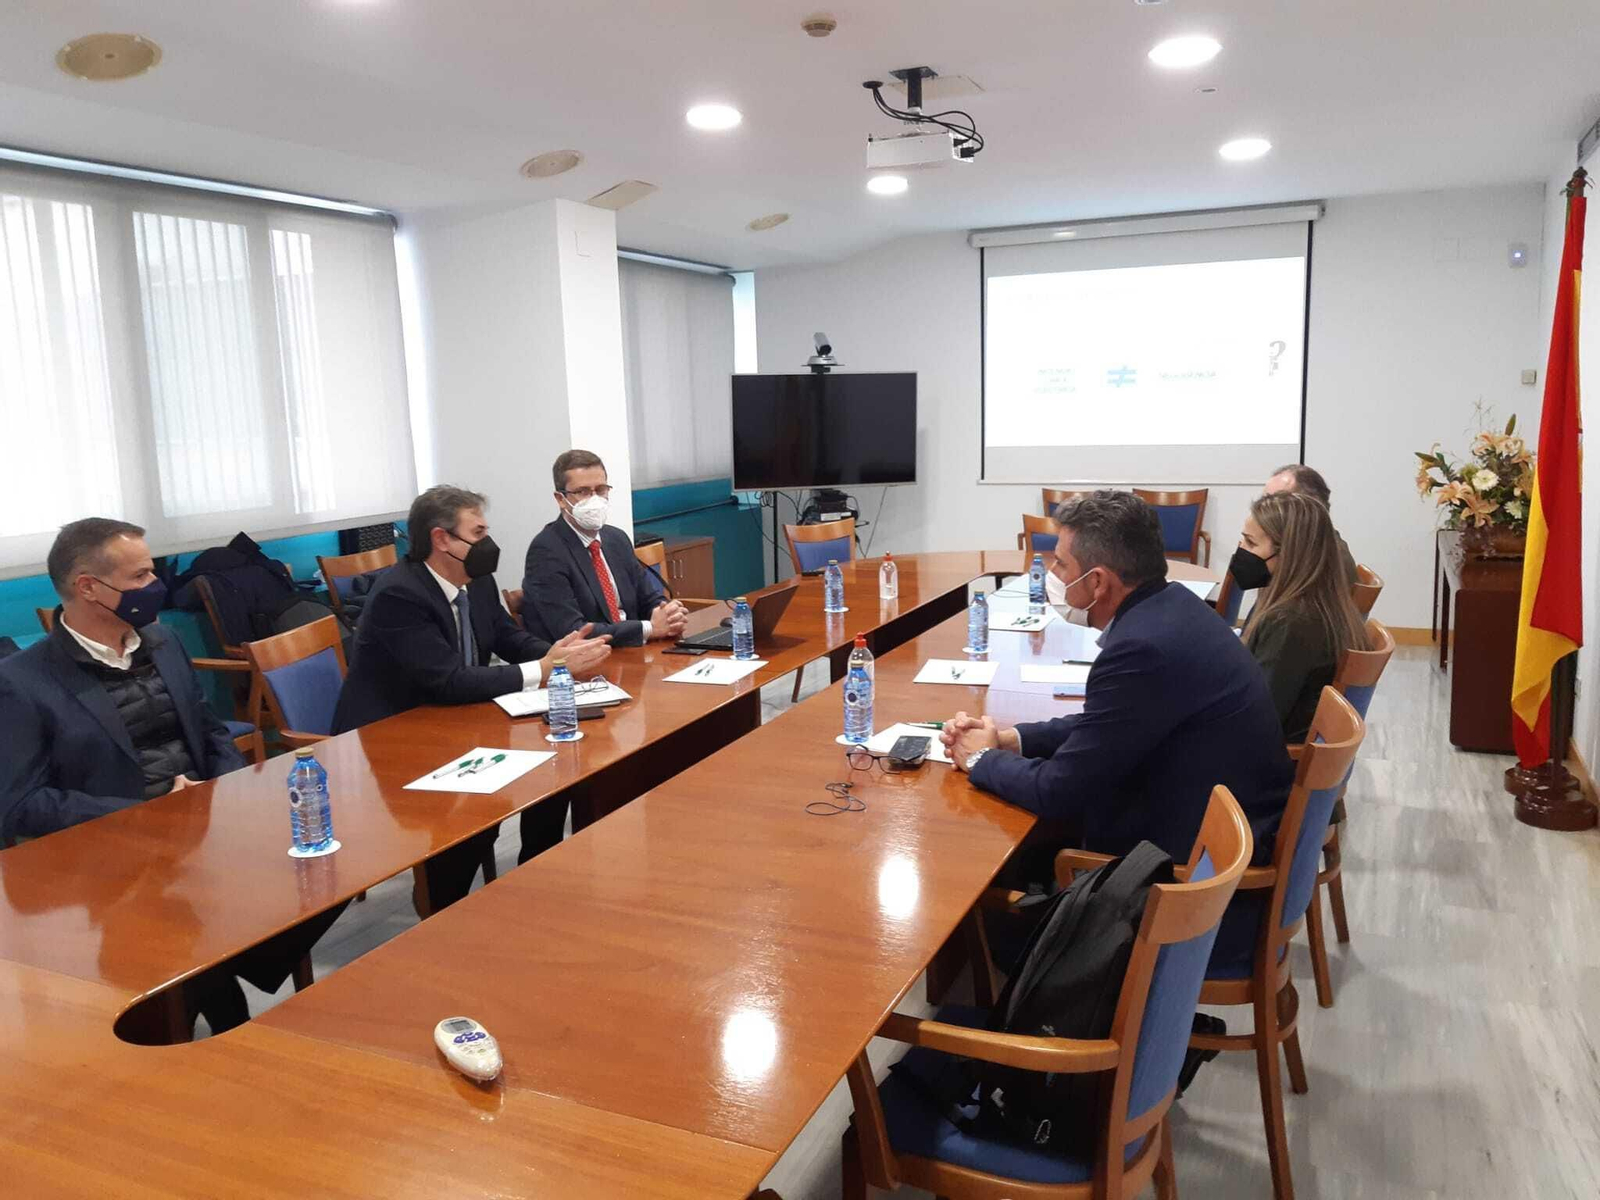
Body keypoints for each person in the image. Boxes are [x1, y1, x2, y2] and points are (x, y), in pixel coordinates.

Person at [0, 518, 342, 1035]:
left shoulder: (160, 642)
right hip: (112, 861)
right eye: (140, 576)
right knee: (189, 963)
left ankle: (224, 980)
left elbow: (210, 732)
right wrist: (150, 814)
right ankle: (205, 1006)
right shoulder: (24, 681)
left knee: (323, 873)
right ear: (88, 587)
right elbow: (21, 803)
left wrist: (225, 791)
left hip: (201, 834)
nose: (155, 586)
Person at [941, 491, 1294, 874]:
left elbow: (1058, 792)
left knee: (987, 854)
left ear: (1098, 583)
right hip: (1227, 824)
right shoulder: (1174, 606)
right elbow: (1111, 723)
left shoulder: (1142, 649)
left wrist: (980, 758)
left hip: (1191, 866)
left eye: (1060, 563)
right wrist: (1014, 740)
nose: (1052, 574)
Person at [333, 485, 610, 909]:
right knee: (469, 818)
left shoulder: (476, 580)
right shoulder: (399, 595)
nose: (489, 543)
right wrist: (546, 669)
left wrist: (559, 654)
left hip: (451, 720)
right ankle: (442, 910)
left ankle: (536, 883)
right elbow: (448, 681)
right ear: (442, 539)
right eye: (478, 533)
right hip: (389, 739)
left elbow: (506, 637)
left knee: (556, 769)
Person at [1234, 492, 1370, 743]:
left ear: (1287, 554)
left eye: (1251, 543)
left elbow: (1258, 720)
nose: (1241, 550)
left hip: (1266, 763)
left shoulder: (1289, 623)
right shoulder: (1320, 602)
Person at [522, 449, 690, 649]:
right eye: (583, 492)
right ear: (560, 499)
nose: (594, 499)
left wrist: (667, 613)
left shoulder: (616, 538)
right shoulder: (546, 550)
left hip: (633, 653)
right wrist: (649, 628)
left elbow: (648, 596)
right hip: (585, 665)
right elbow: (574, 631)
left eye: (601, 489)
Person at [1263, 463, 1358, 587]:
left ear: (1309, 508)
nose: (1263, 509)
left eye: (1274, 503)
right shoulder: (1308, 543)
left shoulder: (1321, 559)